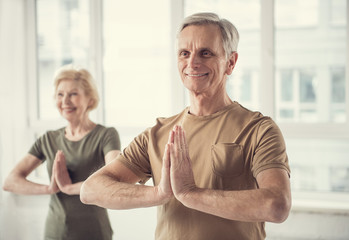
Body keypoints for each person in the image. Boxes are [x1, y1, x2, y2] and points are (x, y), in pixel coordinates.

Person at [80, 12, 291, 240]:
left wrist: (191, 194)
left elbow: (276, 205)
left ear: (231, 62)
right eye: (184, 53)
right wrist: (159, 194)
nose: (192, 63)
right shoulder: (158, 134)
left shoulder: (259, 130)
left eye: (206, 53)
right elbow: (91, 190)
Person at [3, 65, 121, 240]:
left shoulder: (106, 135)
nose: (65, 101)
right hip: (55, 232)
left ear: (90, 98)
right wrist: (49, 188)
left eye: (73, 94)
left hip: (94, 232)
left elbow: (116, 180)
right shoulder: (48, 139)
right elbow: (10, 182)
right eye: (60, 94)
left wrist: (69, 188)